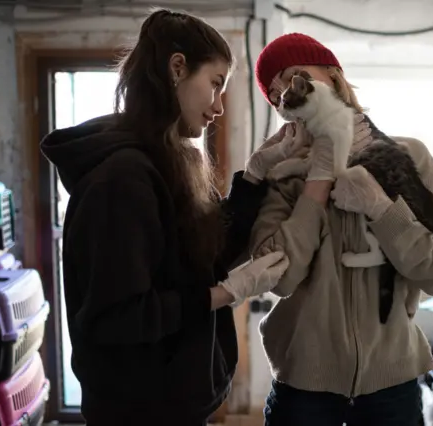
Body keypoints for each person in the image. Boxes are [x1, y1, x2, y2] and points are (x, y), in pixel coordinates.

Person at [40, 10, 306, 426]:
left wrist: (255, 177)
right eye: (215, 84)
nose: (219, 106)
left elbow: (206, 255)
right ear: (177, 68)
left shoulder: (169, 161)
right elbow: (121, 316)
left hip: (173, 405)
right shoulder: (122, 179)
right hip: (137, 412)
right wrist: (226, 292)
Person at [250, 32, 433, 426]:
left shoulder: (411, 156)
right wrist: (316, 183)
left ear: (333, 77)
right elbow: (279, 280)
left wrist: (382, 209)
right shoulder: (283, 177)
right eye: (276, 92)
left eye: (295, 75)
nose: (286, 93)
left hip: (393, 389)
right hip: (304, 391)